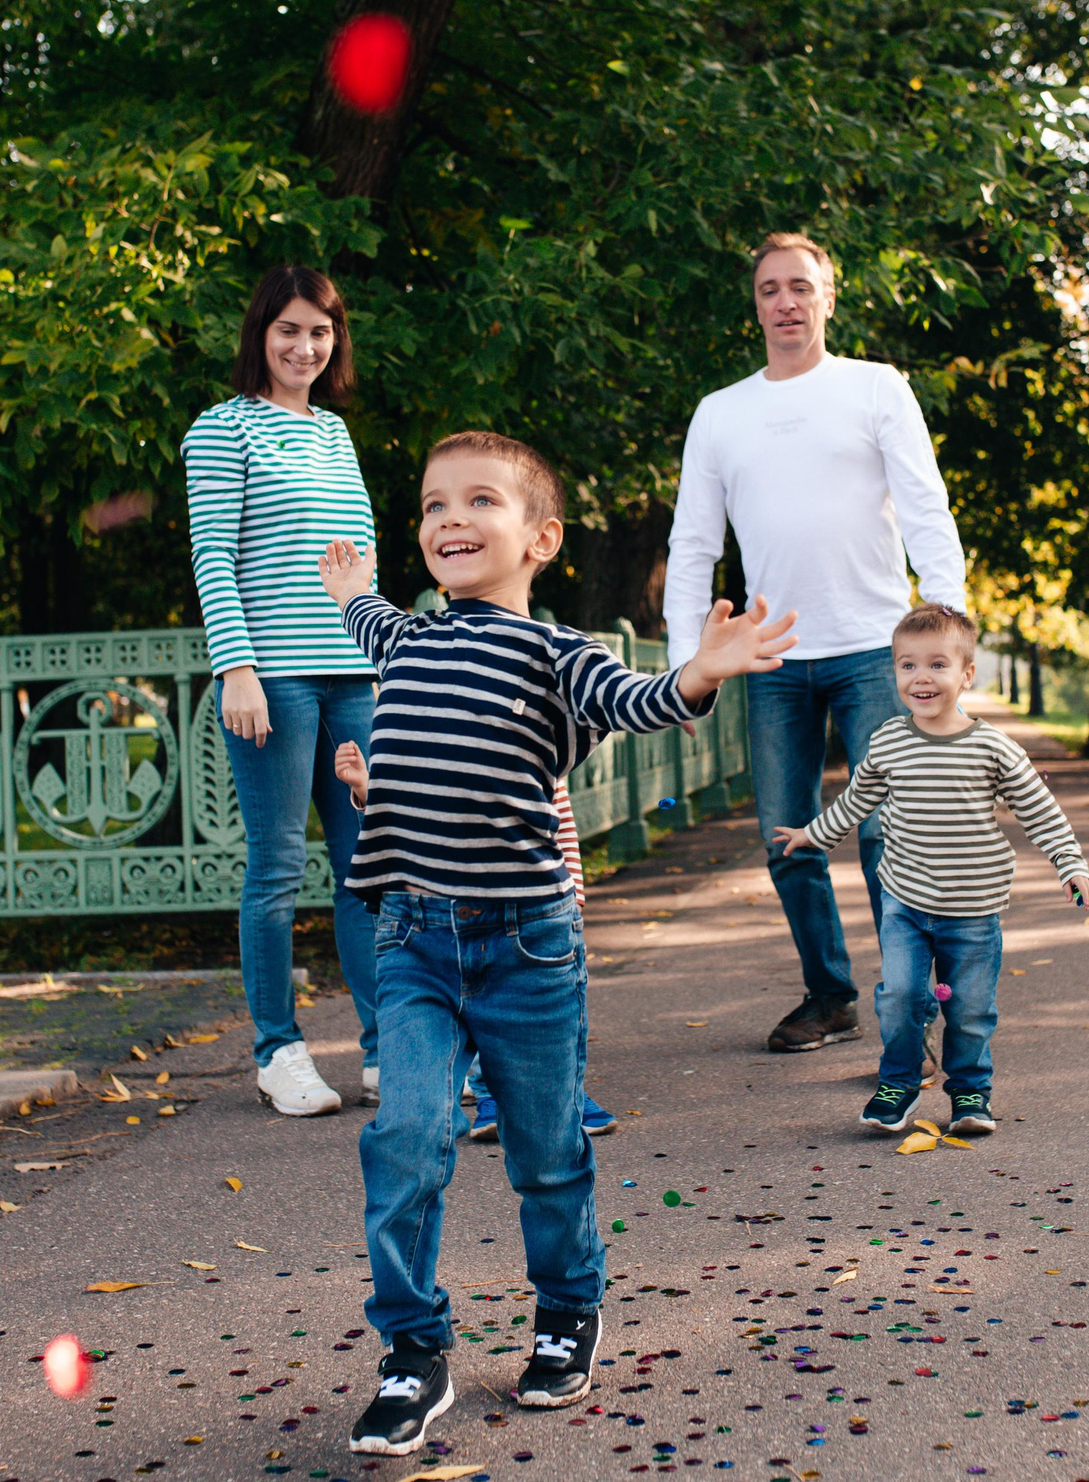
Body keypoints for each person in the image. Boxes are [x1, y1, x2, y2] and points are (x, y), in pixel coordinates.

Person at [317, 431, 794, 1456]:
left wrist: (703, 673)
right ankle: (412, 1354)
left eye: (477, 502)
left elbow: (640, 702)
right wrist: (350, 584)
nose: (448, 519)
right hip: (412, 941)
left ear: (539, 537)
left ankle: (569, 1313)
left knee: (544, 1155)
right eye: (433, 505)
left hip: (527, 947)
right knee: (405, 1138)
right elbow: (362, 617)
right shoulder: (400, 640)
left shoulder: (558, 654)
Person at [663, 231, 969, 1054]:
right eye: (770, 289)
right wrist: (681, 671)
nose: (786, 302)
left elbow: (926, 508)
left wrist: (949, 636)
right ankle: (830, 995)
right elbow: (693, 544)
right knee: (786, 835)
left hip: (875, 649)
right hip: (770, 658)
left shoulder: (876, 388)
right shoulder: (721, 412)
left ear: (828, 298)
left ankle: (914, 1010)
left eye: (801, 286)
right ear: (755, 304)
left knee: (883, 833)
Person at [181, 266, 381, 1117]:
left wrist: (385, 650)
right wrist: (237, 669)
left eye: (321, 332)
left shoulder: (335, 435)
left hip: (354, 672)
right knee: (276, 869)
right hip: (275, 678)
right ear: (261, 332)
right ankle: (278, 1050)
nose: (305, 347)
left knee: (370, 865)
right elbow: (213, 560)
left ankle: (388, 1047)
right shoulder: (223, 430)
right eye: (290, 330)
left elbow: (358, 557)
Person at [773, 603, 1089, 1136]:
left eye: (938, 665)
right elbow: (857, 800)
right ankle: (897, 1083)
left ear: (967, 674)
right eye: (907, 665)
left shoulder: (992, 747)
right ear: (894, 671)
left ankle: (969, 1093)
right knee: (900, 996)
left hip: (974, 911)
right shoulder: (890, 741)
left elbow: (1039, 808)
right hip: (906, 903)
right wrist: (813, 834)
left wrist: (1069, 863)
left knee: (969, 1010)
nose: (921, 677)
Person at [329, 750, 620, 1139]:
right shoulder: (425, 740)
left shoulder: (526, 735)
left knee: (547, 1014)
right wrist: (366, 790)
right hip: (447, 908)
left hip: (529, 906)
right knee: (477, 1006)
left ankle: (563, 1096)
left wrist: (571, 897)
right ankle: (491, 1097)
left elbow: (558, 816)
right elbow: (400, 822)